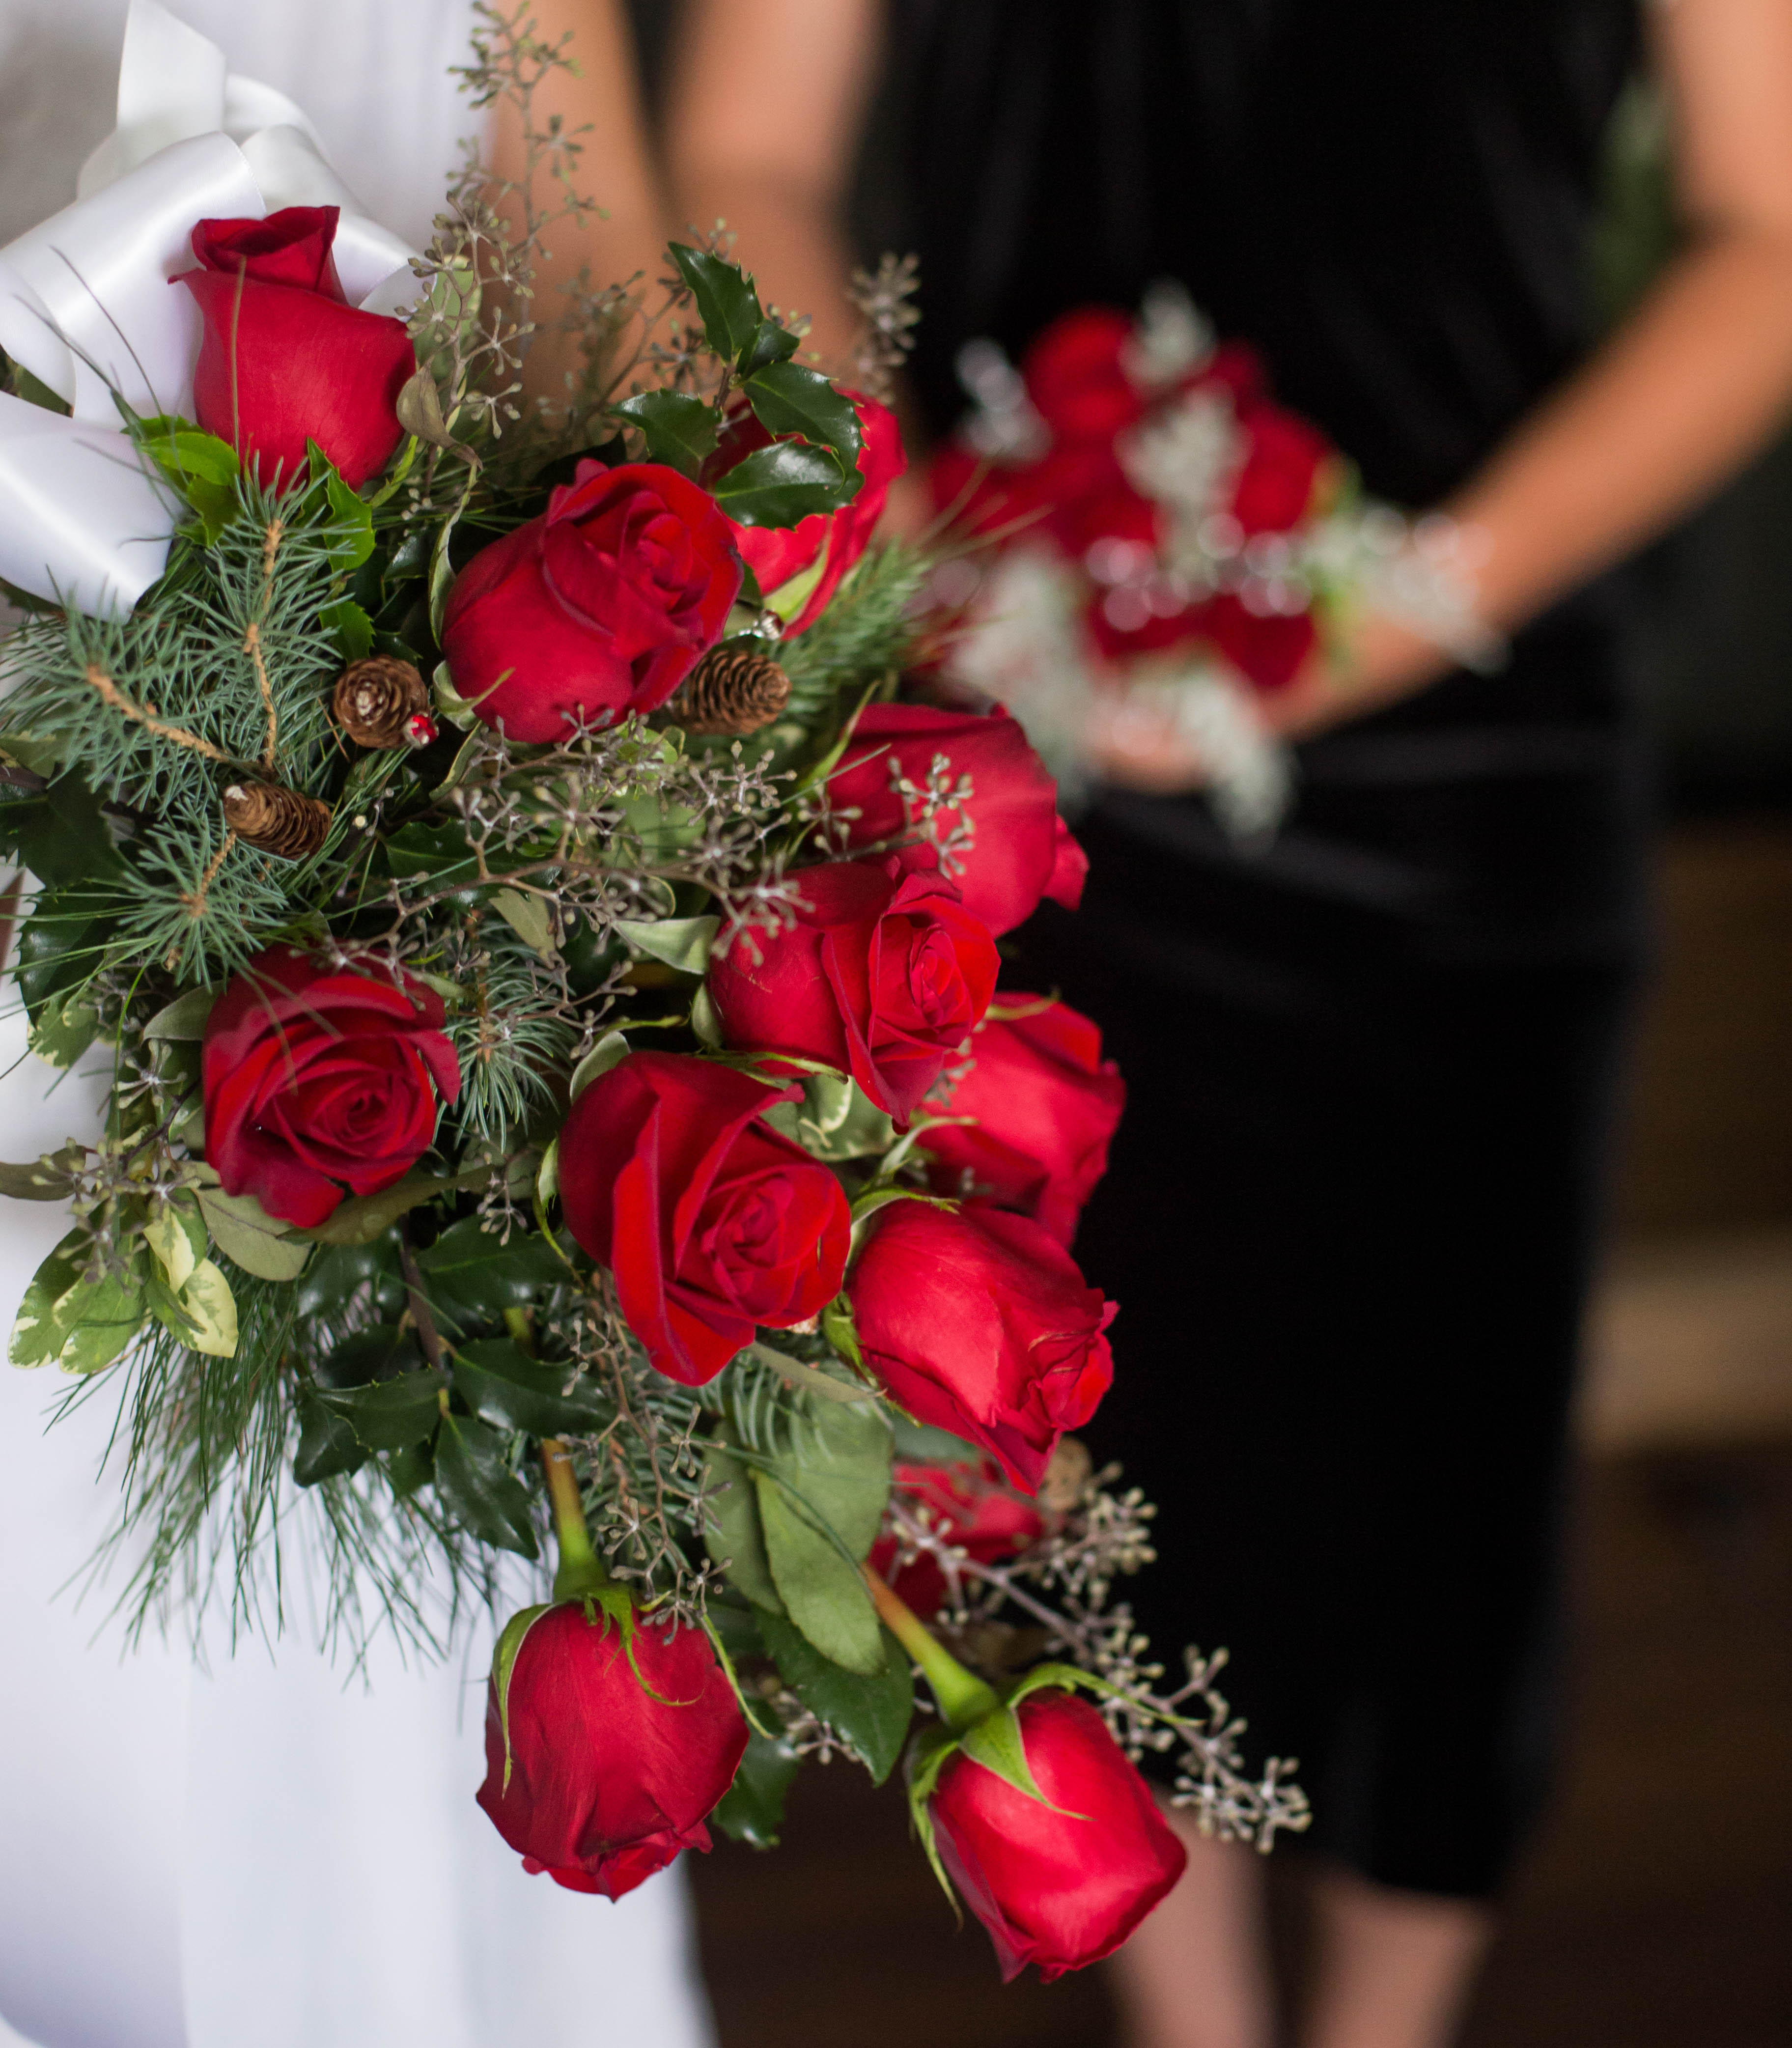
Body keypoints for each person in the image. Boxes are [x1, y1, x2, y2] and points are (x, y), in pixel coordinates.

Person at [661, 4, 1792, 2046]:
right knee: (1087, 1474)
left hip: (1483, 759)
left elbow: (1770, 238)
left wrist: (1401, 599)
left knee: (1454, 1511)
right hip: (1027, 748)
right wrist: (924, 575)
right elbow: (750, 161)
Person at [0, 5, 710, 2047]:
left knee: (327, 1755)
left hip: (392, 909)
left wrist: (685, 631)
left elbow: (575, 220)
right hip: (58, 885)